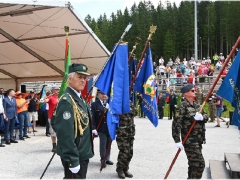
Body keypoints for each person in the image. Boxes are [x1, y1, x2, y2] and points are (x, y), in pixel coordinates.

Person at [52, 63, 94, 179]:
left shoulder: (79, 98)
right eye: (79, 77)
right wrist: (72, 160)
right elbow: (64, 133)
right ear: (70, 79)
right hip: (75, 154)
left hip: (82, 152)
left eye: (84, 78)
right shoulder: (67, 100)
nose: (83, 80)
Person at [172, 83, 209, 179]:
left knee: (193, 165)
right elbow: (176, 124)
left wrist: (201, 117)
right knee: (199, 164)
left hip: (199, 139)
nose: (195, 92)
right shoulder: (182, 107)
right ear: (186, 94)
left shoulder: (197, 105)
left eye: (195, 90)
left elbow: (206, 116)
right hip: (189, 141)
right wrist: (177, 140)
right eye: (192, 91)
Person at [91, 89, 113, 167]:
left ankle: (107, 158)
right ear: (98, 94)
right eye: (102, 94)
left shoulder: (110, 103)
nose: (104, 95)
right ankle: (103, 159)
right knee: (103, 144)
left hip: (110, 128)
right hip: (100, 128)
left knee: (109, 143)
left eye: (105, 94)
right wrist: (93, 128)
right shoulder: (94, 104)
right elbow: (92, 117)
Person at [116, 100, 138, 179]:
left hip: (130, 131)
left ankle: (125, 168)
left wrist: (130, 109)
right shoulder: (118, 102)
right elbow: (114, 116)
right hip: (122, 132)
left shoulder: (129, 102)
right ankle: (120, 169)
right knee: (124, 152)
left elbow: (136, 112)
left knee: (130, 152)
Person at [44, 85, 60, 152]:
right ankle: (54, 145)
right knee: (53, 132)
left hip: (60, 117)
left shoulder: (61, 97)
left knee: (60, 131)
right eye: (55, 89)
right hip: (52, 116)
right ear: (52, 90)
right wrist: (45, 98)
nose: (57, 91)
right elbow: (45, 100)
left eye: (57, 89)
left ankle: (60, 145)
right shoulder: (51, 97)